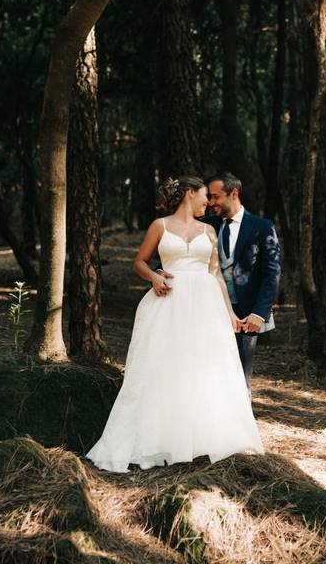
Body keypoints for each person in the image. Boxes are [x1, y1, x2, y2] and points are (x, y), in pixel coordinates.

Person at [85, 176, 264, 473]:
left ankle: (200, 437)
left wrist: (230, 313)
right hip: (170, 303)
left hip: (205, 306)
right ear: (189, 194)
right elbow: (139, 262)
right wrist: (154, 276)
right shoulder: (160, 226)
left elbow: (216, 274)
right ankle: (162, 438)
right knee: (164, 367)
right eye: (205, 196)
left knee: (203, 368)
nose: (208, 202)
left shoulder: (208, 230)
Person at [202, 173, 281, 394]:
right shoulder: (206, 226)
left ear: (233, 193)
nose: (210, 202)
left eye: (215, 196)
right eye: (208, 197)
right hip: (210, 309)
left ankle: (240, 424)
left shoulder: (261, 227)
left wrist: (259, 313)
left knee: (240, 374)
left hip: (246, 315)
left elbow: (272, 273)